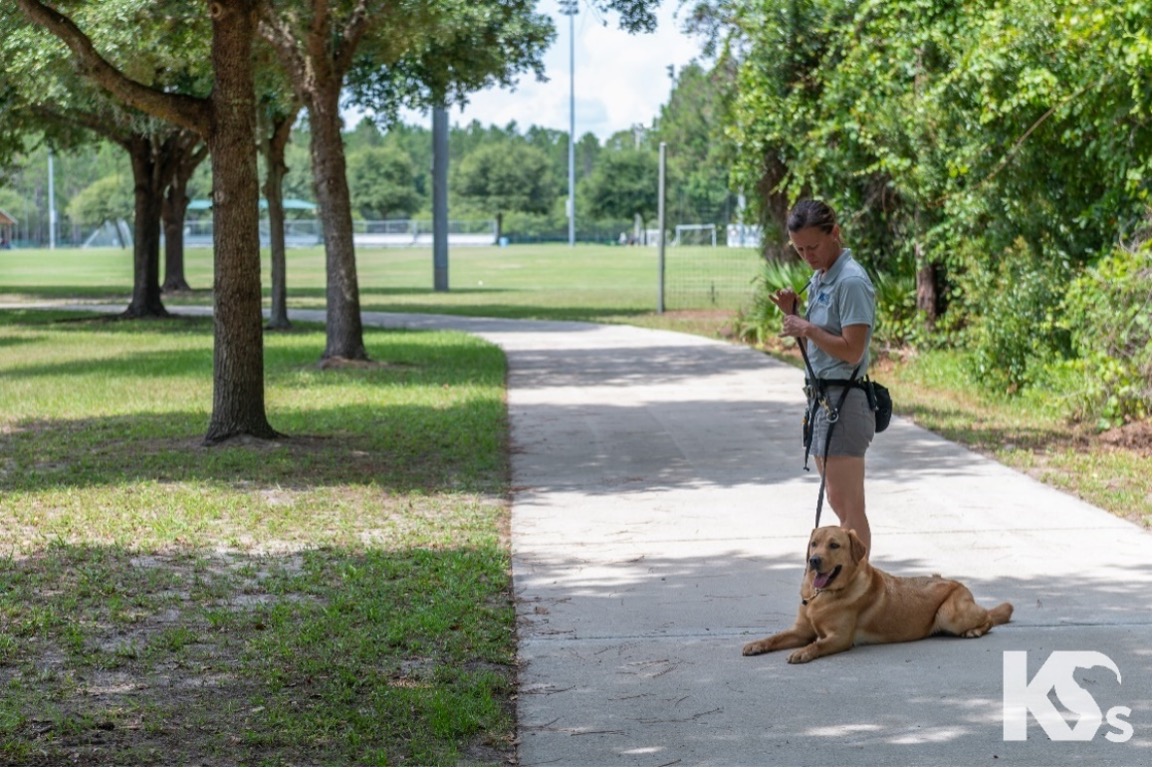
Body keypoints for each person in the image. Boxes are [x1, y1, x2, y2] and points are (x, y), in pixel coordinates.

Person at [770, 199, 877, 557]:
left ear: (834, 233)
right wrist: (794, 315)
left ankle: (859, 592)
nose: (808, 256)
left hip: (844, 402)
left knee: (849, 510)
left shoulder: (851, 282)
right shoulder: (820, 279)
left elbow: (851, 350)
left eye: (813, 247)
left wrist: (807, 327)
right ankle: (853, 591)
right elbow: (816, 347)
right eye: (799, 250)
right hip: (822, 401)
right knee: (837, 500)